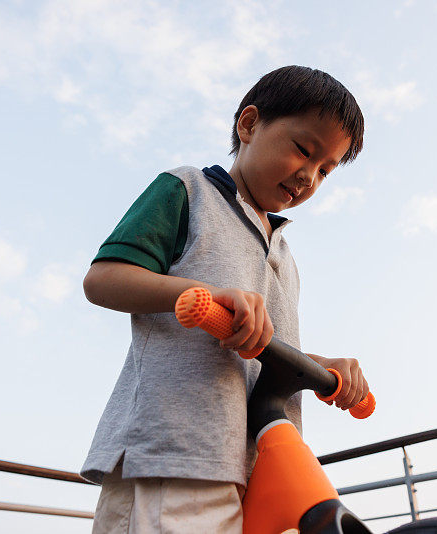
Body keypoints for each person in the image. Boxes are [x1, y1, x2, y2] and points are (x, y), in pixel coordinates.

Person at [80, 65, 369, 533]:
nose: (308, 176)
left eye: (325, 170)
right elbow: (103, 279)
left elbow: (259, 352)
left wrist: (320, 368)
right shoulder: (188, 190)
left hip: (257, 473)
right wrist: (204, 295)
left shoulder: (284, 253)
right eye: (303, 149)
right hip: (175, 459)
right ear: (249, 124)